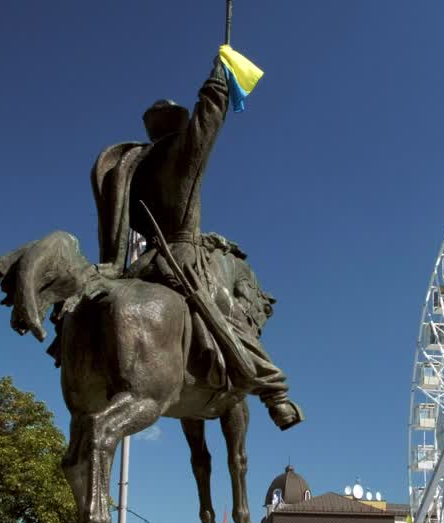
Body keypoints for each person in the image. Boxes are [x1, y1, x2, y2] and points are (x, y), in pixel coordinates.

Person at [91, 53, 302, 430]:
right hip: (184, 257)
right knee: (231, 318)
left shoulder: (130, 166)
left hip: (145, 263)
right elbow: (210, 115)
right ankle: (276, 394)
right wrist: (219, 77)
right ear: (179, 123)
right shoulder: (180, 151)